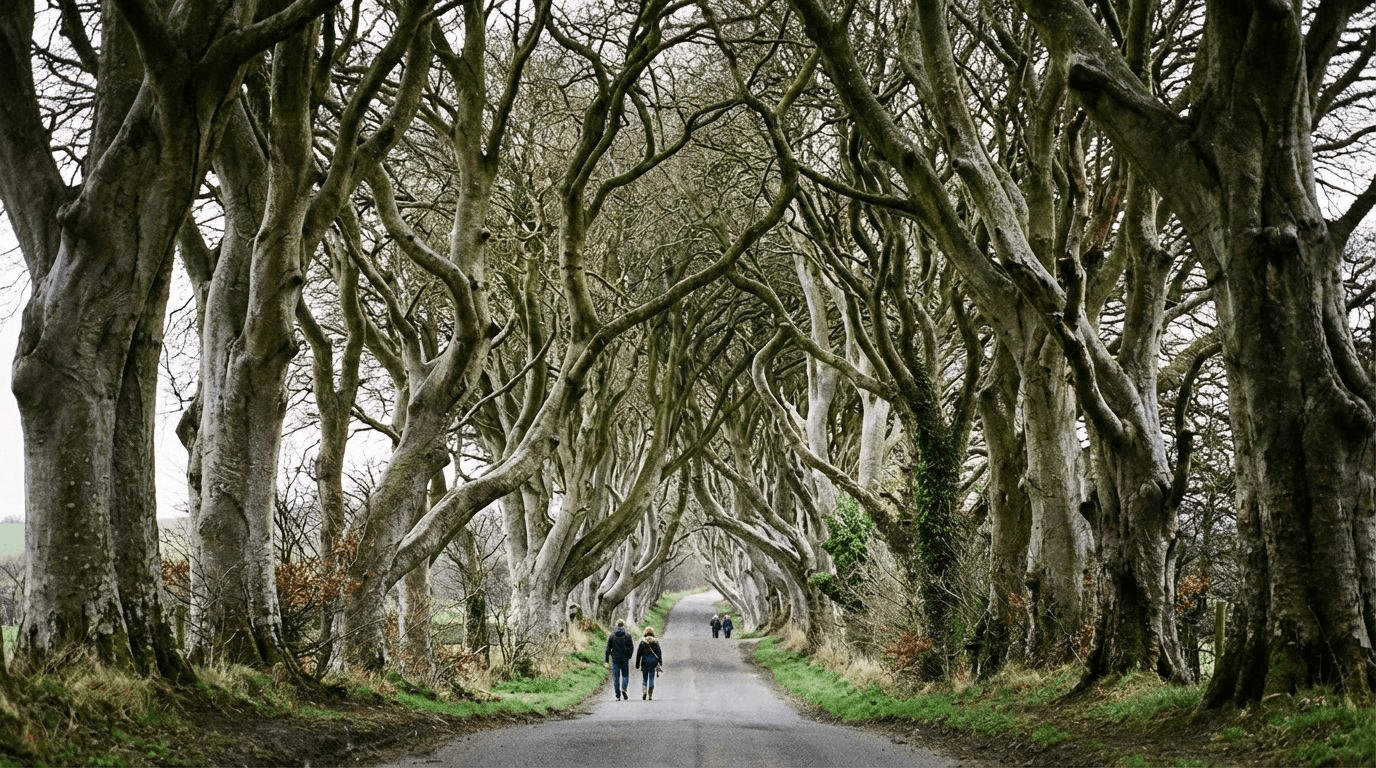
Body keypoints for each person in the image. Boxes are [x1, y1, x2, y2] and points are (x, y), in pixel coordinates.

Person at [604, 619, 635, 700]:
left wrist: (606, 661)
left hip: (615, 658)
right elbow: (631, 647)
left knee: (616, 677)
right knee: (625, 675)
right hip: (624, 657)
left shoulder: (612, 635)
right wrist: (629, 656)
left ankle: (617, 696)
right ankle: (624, 689)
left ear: (616, 625)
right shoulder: (627, 635)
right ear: (623, 625)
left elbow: (607, 649)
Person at [634, 626, 664, 700]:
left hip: (644, 662)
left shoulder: (642, 642)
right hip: (653, 663)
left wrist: (637, 664)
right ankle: (650, 694)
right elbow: (659, 653)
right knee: (651, 678)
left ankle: (644, 691)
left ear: (645, 633)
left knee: (644, 678)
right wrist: (660, 662)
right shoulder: (655, 642)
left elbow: (639, 654)